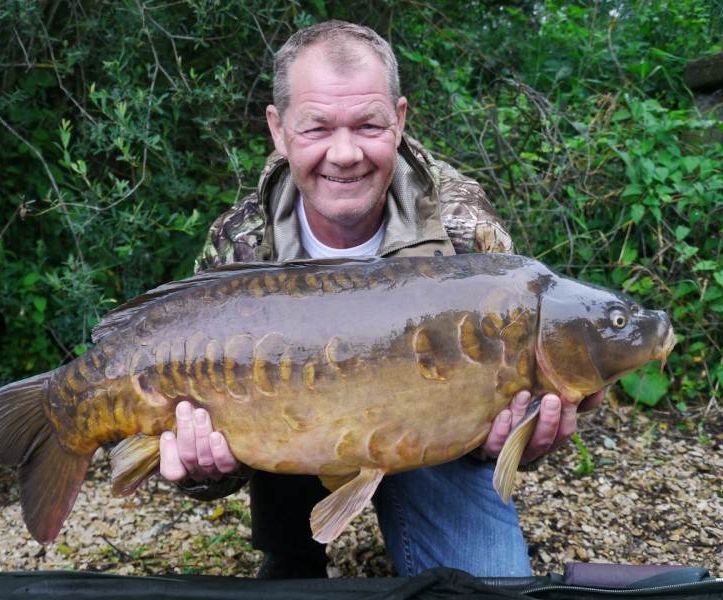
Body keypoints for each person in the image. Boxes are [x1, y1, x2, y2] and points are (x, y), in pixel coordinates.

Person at [159, 20, 603, 579]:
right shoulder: (243, 243)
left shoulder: (464, 228)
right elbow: (213, 457)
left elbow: (502, 408)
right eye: (317, 127)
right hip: (289, 428)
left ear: (398, 120)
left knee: (494, 587)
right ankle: (292, 552)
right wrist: (204, 472)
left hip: (429, 440)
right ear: (278, 129)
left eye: (368, 125)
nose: (344, 154)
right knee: (285, 370)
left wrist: (507, 441)